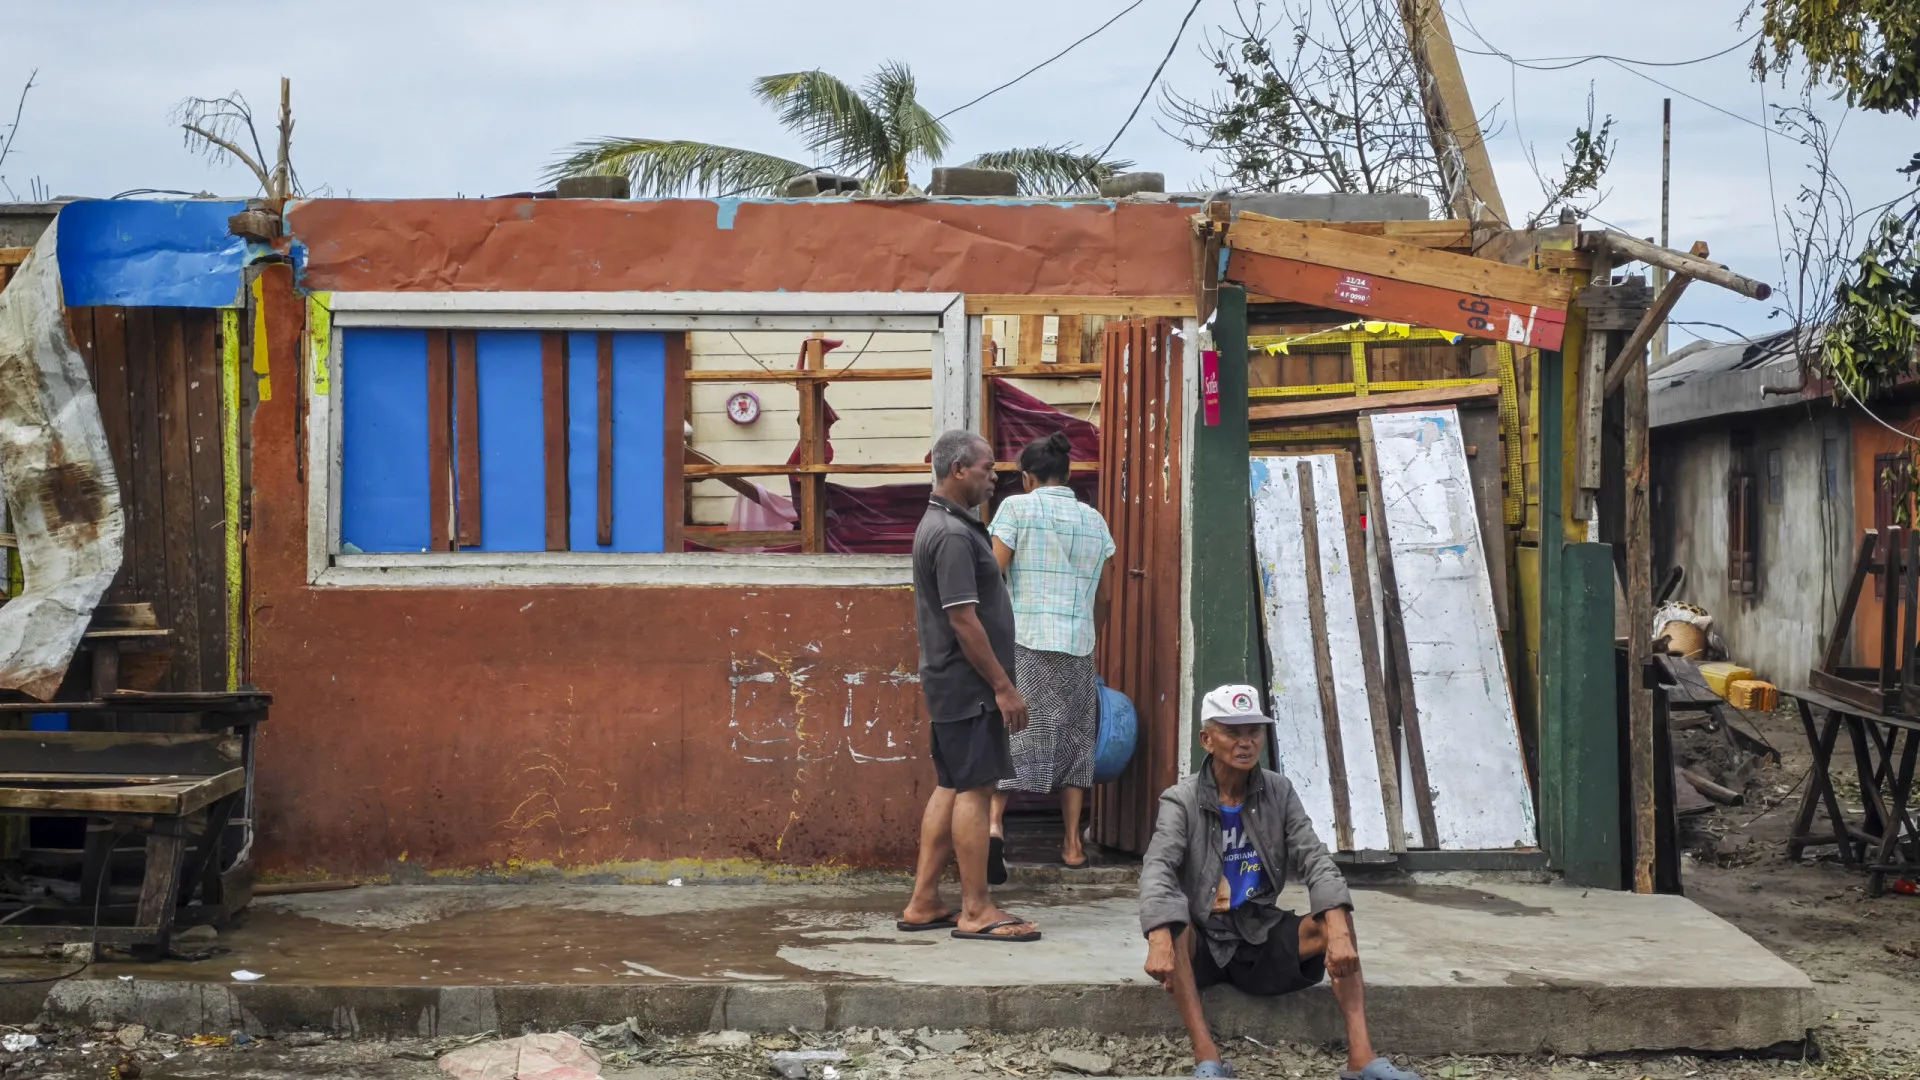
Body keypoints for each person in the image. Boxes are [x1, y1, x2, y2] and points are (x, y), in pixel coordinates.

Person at [1138, 685, 1422, 1080]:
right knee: (1175, 925)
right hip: (1205, 941)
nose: (1246, 742)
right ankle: (1209, 1060)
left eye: (1253, 731)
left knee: (1335, 919)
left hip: (1259, 933)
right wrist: (1158, 938)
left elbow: (1315, 858)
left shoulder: (1279, 791)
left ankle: (1361, 1058)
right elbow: (1158, 867)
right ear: (1207, 739)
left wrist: (1339, 929)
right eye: (1232, 732)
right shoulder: (1180, 799)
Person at [896, 429, 1041, 943]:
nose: (995, 476)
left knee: (953, 784)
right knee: (976, 789)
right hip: (971, 684)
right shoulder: (953, 535)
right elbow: (963, 618)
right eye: (986, 467)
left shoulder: (944, 523)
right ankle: (976, 908)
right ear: (958, 470)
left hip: (953, 682)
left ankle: (923, 902)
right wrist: (1002, 687)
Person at [985, 431, 1115, 876]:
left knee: (1015, 732)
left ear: (1027, 477)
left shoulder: (1016, 508)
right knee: (1076, 741)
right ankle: (1072, 844)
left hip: (1025, 640)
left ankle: (994, 826)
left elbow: (993, 574)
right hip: (1077, 646)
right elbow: (1106, 596)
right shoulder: (1094, 520)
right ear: (1068, 473)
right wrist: (1090, 633)